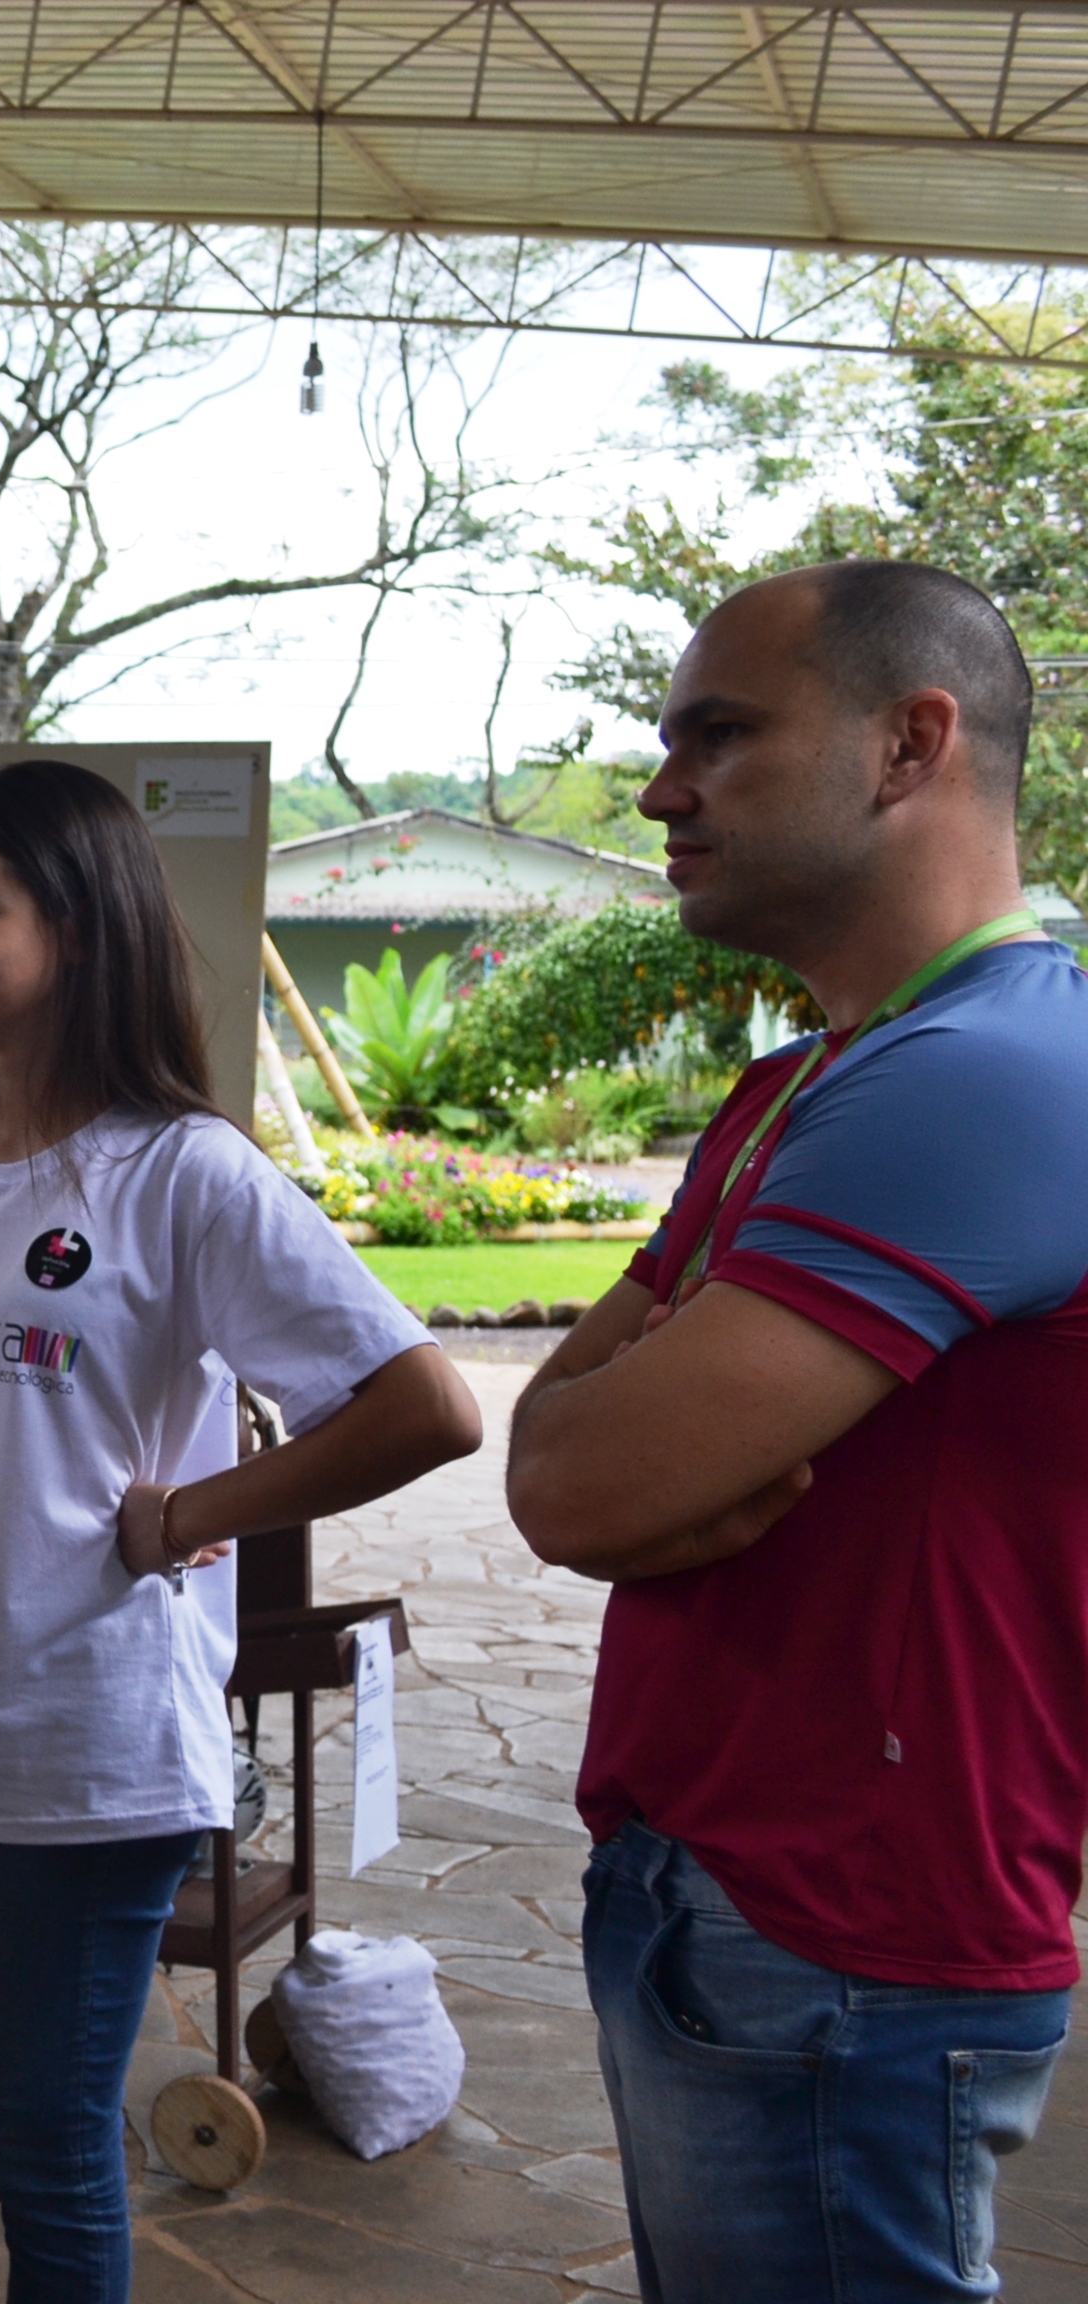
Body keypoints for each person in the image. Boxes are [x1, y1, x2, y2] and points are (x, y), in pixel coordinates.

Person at [0, 760, 481, 2304]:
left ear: (76, 927)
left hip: (89, 1759)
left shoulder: (183, 1173)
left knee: (42, 2145)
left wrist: (193, 1514)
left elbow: (425, 1407)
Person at [504, 562, 1088, 2304]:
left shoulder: (981, 1076)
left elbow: (584, 1477)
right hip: (726, 1891)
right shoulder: (810, 1081)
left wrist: (628, 1439)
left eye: (720, 735)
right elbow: (547, 1454)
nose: (659, 791)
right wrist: (618, 1445)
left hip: (843, 1935)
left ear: (913, 743)